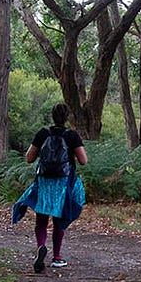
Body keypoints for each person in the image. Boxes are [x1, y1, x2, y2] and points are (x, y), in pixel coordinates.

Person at [11, 103, 88, 272]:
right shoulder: (72, 136)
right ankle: (57, 257)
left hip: (45, 181)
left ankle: (40, 247)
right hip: (63, 183)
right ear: (67, 117)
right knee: (60, 219)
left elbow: (29, 158)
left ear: (52, 116)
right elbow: (83, 161)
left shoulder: (43, 133)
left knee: (42, 219)